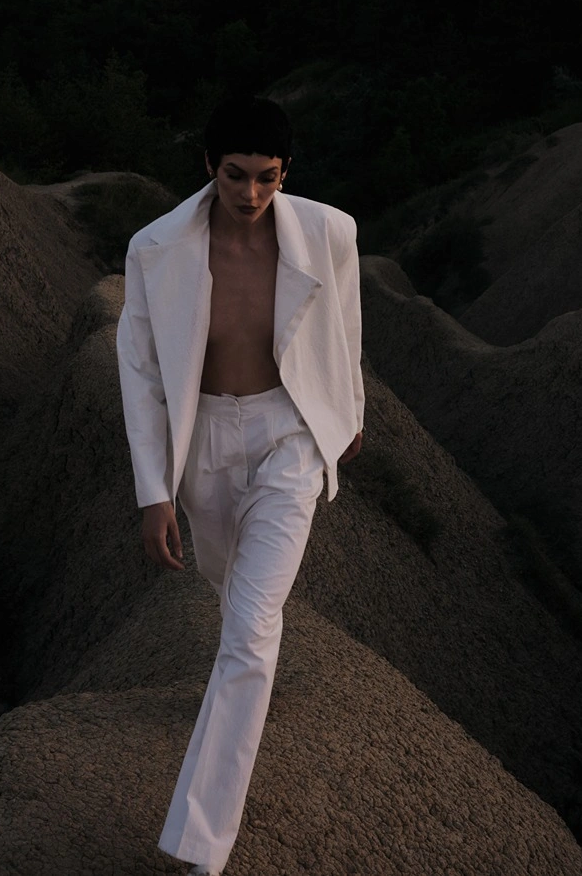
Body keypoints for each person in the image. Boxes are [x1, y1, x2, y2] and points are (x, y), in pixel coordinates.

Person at [116, 97, 364, 875]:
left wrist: (347, 410)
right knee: (235, 600)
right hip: (206, 443)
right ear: (208, 166)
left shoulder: (329, 231)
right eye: (235, 175)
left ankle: (202, 845)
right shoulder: (156, 248)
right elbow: (141, 374)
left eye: (267, 177)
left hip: (288, 433)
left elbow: (345, 326)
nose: (251, 193)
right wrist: (153, 491)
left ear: (286, 172)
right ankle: (246, 691)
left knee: (252, 626)